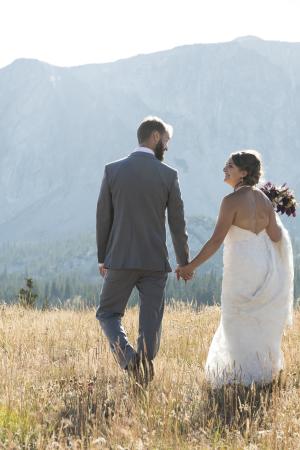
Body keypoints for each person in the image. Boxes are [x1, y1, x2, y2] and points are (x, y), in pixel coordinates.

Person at [177, 150, 294, 387]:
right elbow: (276, 236)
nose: (225, 169)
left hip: (240, 268)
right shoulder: (264, 201)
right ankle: (261, 373)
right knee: (258, 318)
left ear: (244, 172)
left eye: (230, 166)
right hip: (262, 267)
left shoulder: (230, 202)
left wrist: (190, 266)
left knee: (236, 319)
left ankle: (240, 376)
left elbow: (215, 241)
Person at [96, 116, 191, 384]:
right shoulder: (169, 175)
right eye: (167, 142)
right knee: (151, 322)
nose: (167, 148)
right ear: (155, 137)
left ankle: (128, 359)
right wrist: (183, 262)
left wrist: (103, 257)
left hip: (120, 259)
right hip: (154, 262)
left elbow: (104, 217)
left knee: (107, 313)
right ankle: (145, 366)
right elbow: (177, 223)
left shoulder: (112, 170)